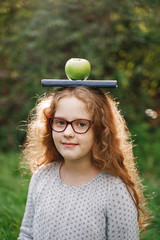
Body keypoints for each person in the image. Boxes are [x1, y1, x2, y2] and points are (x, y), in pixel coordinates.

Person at [18, 86, 150, 240]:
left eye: (81, 124)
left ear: (100, 130)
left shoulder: (114, 190)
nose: (68, 133)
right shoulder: (42, 177)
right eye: (60, 122)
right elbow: (27, 234)